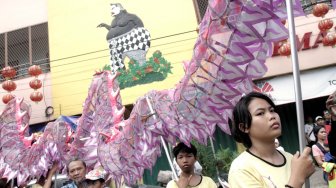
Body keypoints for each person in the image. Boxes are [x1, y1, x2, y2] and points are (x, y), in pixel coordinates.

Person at [228, 92, 315, 187]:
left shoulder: (291, 159)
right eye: (260, 113)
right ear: (244, 127)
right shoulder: (241, 169)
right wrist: (297, 178)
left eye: (272, 110)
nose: (272, 116)